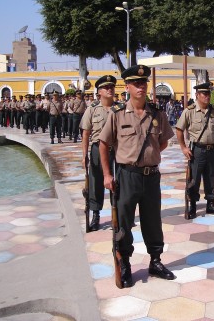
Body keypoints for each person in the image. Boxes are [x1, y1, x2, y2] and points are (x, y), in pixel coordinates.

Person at [99, 65, 175, 288]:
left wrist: (150, 156)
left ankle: (156, 261)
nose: (141, 87)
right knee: (124, 222)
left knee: (153, 221)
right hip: (127, 176)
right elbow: (103, 144)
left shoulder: (157, 114)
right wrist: (106, 174)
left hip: (151, 177)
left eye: (144, 83)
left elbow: (164, 141)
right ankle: (125, 263)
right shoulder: (117, 114)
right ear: (128, 86)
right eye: (136, 83)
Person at [176, 82, 214, 219]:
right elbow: (179, 129)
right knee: (194, 179)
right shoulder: (189, 111)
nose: (207, 96)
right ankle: (193, 206)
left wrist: (210, 136)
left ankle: (210, 203)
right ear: (197, 95)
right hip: (197, 150)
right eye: (204, 94)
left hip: (212, 150)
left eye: (208, 93)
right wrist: (183, 147)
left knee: (210, 177)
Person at [80, 75, 117, 232]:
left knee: (117, 182)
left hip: (115, 150)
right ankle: (96, 216)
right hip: (96, 150)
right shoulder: (92, 109)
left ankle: (118, 215)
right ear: (99, 92)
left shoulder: (120, 108)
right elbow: (86, 133)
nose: (110, 89)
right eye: (106, 87)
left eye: (111, 87)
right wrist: (84, 156)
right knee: (95, 184)